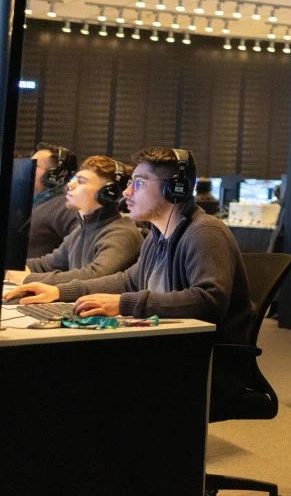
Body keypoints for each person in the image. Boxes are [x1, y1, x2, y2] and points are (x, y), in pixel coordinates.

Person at [6, 147, 254, 345]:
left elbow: (209, 299)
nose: (126, 192)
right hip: (172, 348)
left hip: (205, 362)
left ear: (175, 189)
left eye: (139, 183)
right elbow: (128, 281)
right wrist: (59, 292)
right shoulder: (157, 236)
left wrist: (123, 304)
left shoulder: (204, 232)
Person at [17, 156, 143, 285]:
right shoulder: (80, 230)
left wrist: (28, 279)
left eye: (81, 181)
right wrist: (11, 266)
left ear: (108, 193)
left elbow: (96, 275)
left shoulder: (122, 233)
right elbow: (45, 265)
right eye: (73, 179)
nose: (70, 184)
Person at [27, 142, 79, 259]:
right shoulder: (30, 201)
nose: (27, 169)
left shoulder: (67, 206)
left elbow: (76, 252)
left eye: (35, 165)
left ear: (53, 175)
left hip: (36, 270)